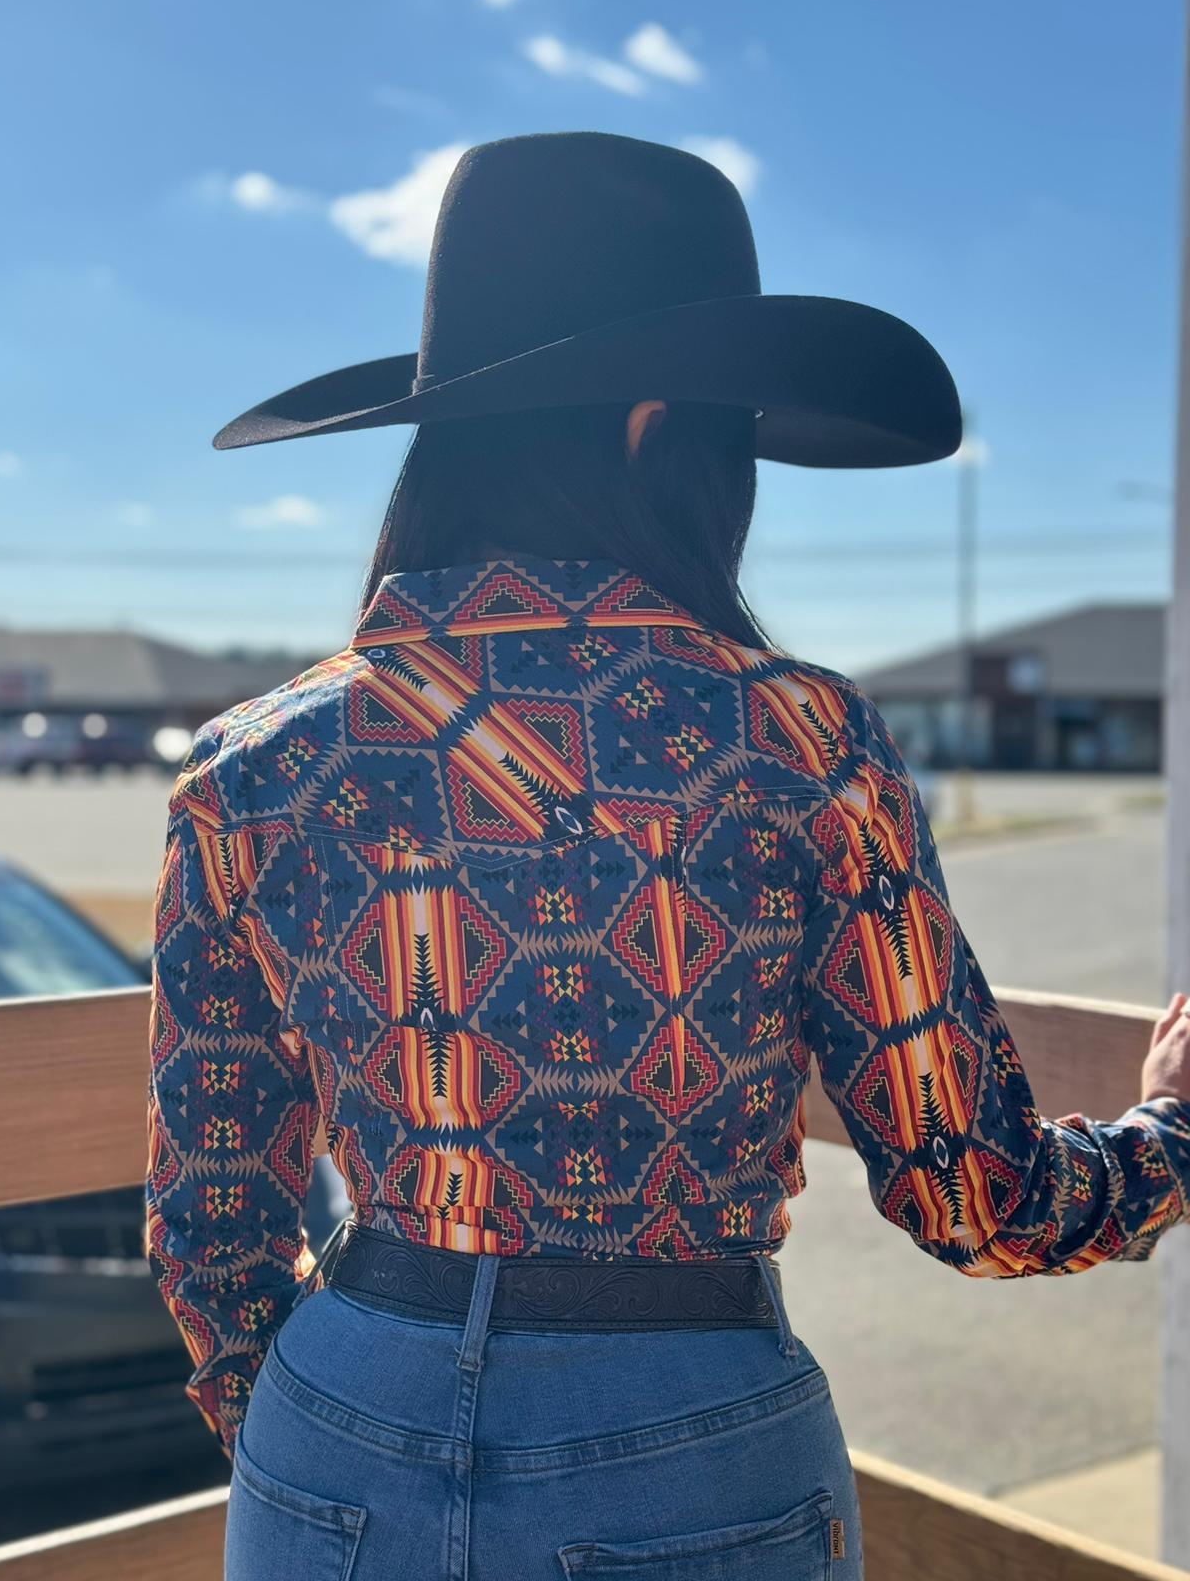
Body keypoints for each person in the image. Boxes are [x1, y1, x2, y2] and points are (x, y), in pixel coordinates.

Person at [143, 132, 1190, 1581]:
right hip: (683, 1433)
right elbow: (976, 1196)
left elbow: (209, 1215)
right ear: (653, 425)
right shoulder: (799, 737)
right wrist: (1173, 1133)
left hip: (334, 1419)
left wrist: (313, 1428)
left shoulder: (248, 765)